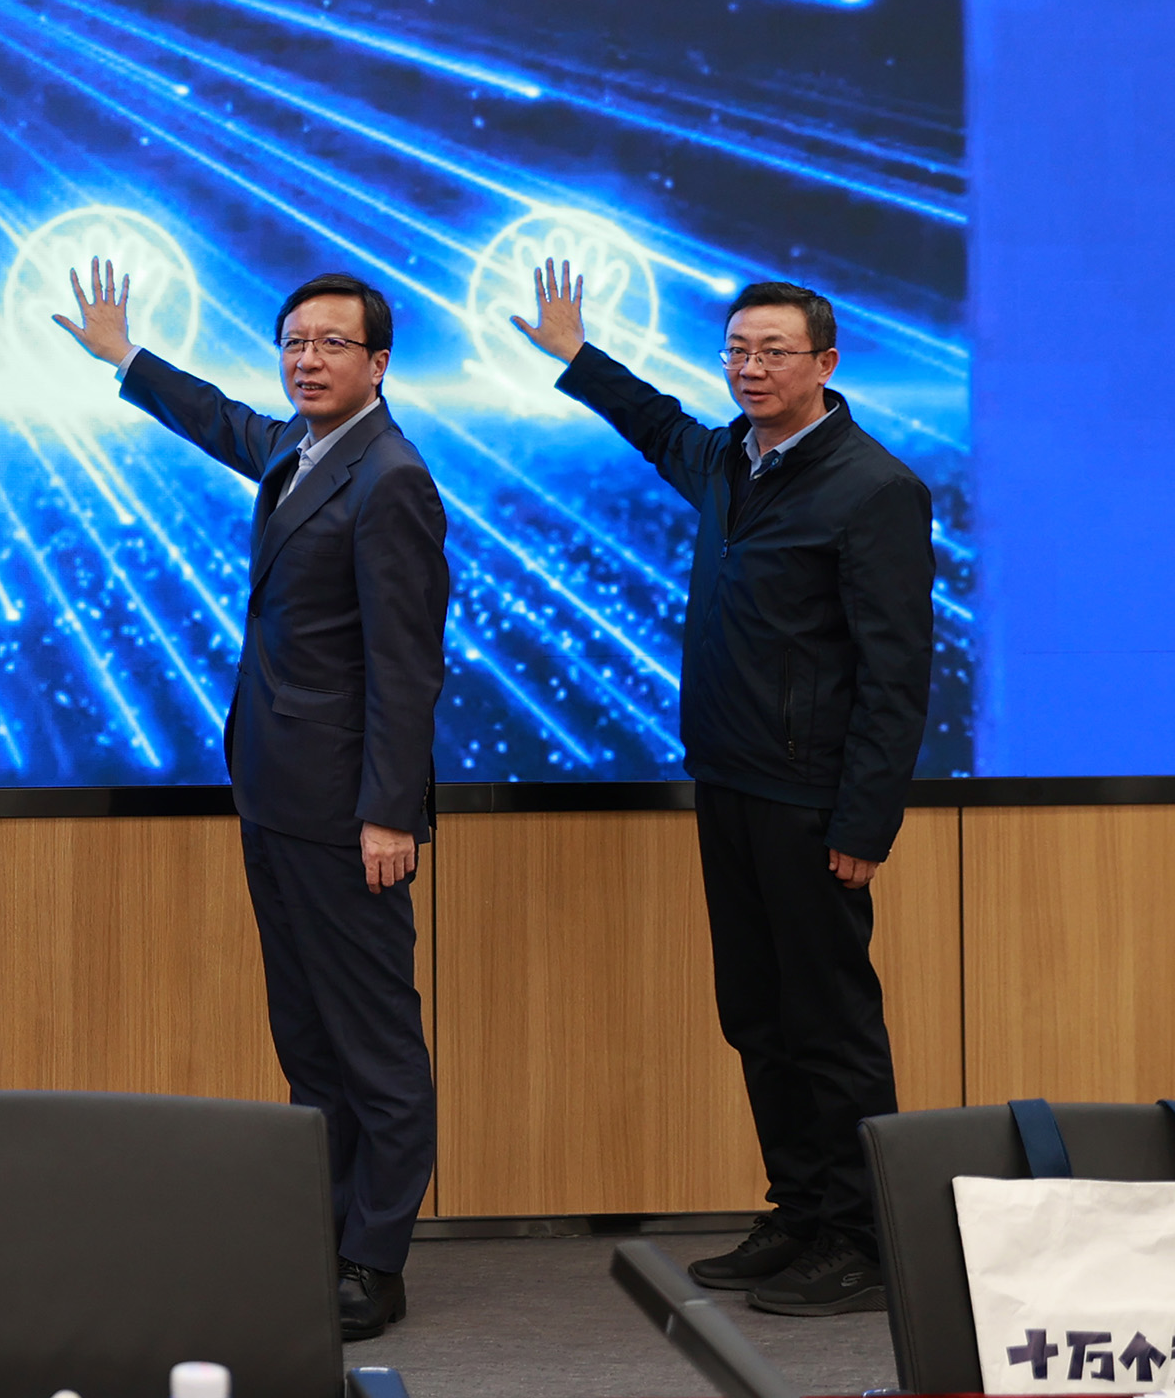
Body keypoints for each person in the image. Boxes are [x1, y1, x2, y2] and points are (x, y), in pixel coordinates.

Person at [513, 261, 931, 1317]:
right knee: (756, 1013)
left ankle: (864, 1239)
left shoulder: (874, 488)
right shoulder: (729, 460)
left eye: (774, 352)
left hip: (811, 800)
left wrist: (865, 819)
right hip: (729, 779)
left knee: (830, 1022)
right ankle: (799, 1212)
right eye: (738, 351)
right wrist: (577, 353)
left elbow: (896, 674)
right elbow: (657, 423)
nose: (751, 368)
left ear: (825, 363)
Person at [55, 260, 444, 1342]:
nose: (307, 360)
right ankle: (326, 1228)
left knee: (374, 1040)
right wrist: (128, 355)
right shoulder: (304, 448)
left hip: (347, 811)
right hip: (277, 793)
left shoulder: (390, 476)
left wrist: (390, 811)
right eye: (294, 342)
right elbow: (224, 421)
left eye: (332, 344)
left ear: (379, 362)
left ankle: (376, 1256)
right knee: (309, 1034)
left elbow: (407, 663)